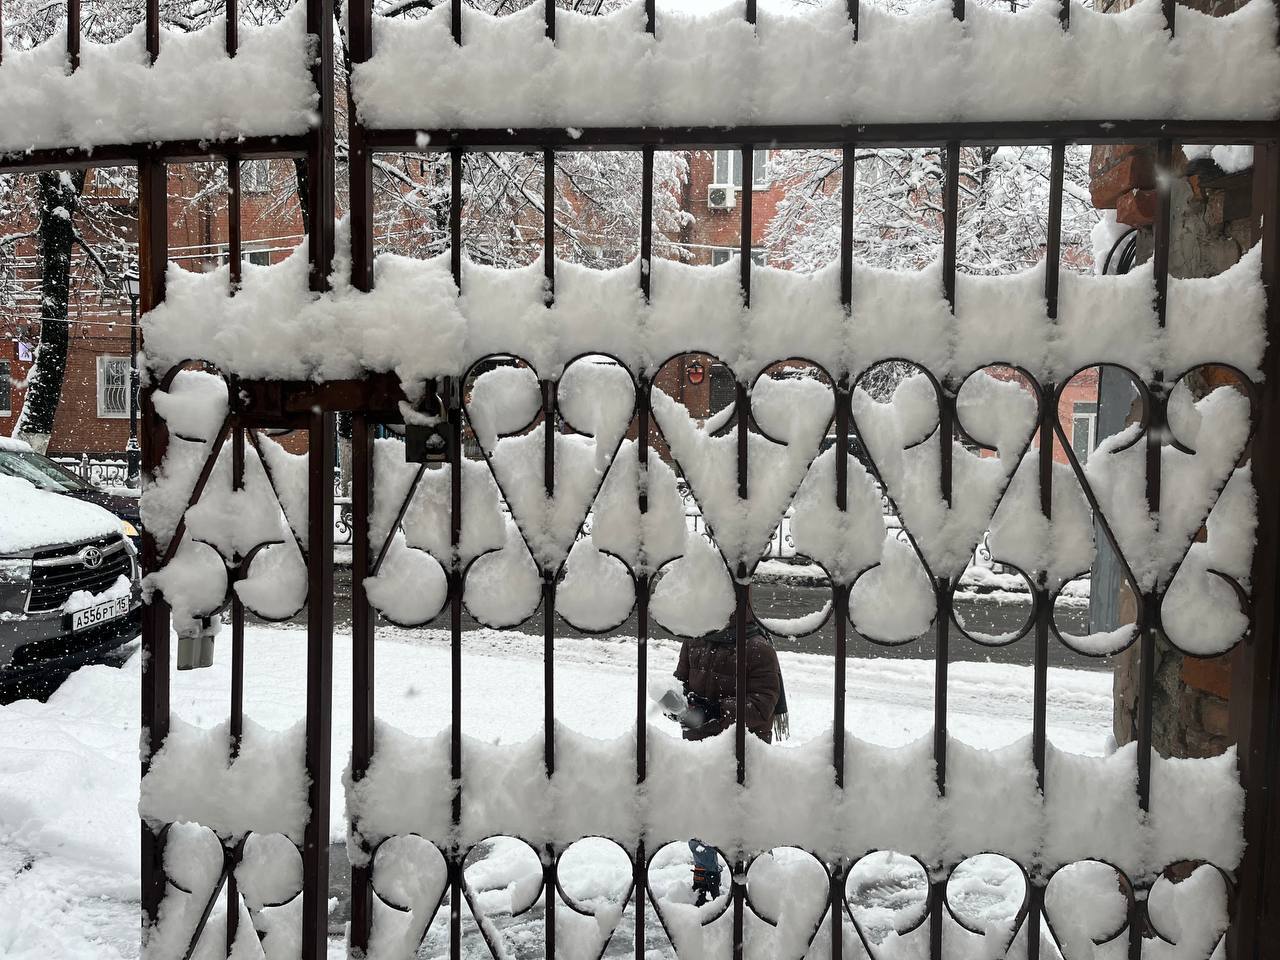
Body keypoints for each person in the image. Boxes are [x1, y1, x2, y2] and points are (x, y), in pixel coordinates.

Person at [672, 618, 785, 743]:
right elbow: (680, 681)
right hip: (695, 744)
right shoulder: (694, 638)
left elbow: (762, 705)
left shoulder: (758, 647)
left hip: (741, 746)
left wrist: (715, 711)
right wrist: (675, 704)